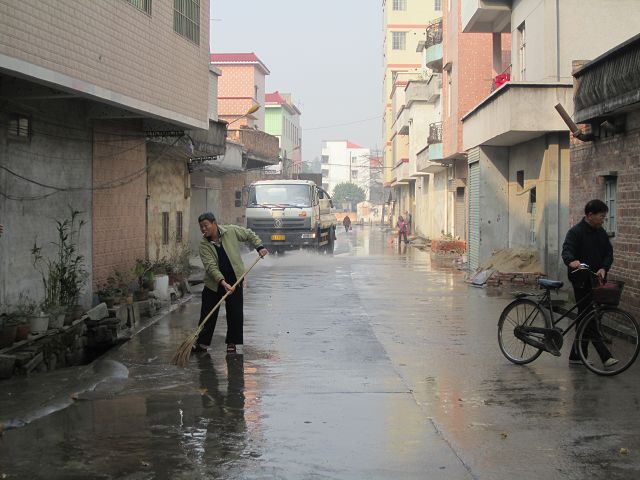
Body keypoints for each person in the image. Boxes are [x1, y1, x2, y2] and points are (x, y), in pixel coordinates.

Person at [195, 212, 268, 354]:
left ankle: (232, 343)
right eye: (201, 227)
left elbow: (248, 234)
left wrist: (259, 247)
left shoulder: (231, 231)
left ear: (214, 223)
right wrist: (222, 282)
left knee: (235, 313)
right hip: (214, 283)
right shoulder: (204, 245)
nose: (203, 229)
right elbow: (211, 267)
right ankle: (202, 343)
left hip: (235, 279)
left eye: (206, 225)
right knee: (208, 313)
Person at [561, 199, 617, 367]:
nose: (603, 220)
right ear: (590, 215)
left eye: (604, 217)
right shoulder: (576, 232)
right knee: (588, 316)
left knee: (585, 316)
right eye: (601, 216)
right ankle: (605, 355)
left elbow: (608, 253)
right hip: (581, 280)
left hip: (596, 280)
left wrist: (604, 268)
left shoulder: (601, 233)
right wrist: (572, 261)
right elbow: (567, 250)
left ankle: (576, 355)